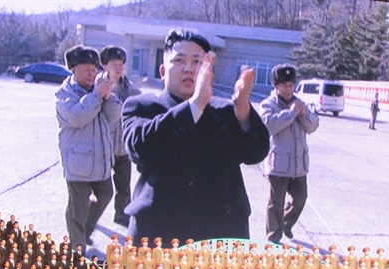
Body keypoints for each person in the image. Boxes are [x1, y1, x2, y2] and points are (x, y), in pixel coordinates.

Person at [122, 29, 269, 245]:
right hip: (159, 236)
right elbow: (141, 148)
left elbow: (255, 152)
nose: (189, 69)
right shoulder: (143, 106)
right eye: (179, 60)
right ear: (163, 71)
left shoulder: (226, 111)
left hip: (220, 237)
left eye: (197, 62)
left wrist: (244, 108)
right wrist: (195, 104)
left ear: (210, 72)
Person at [55, 45, 121, 249]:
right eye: (87, 70)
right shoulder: (64, 93)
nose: (92, 74)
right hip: (78, 162)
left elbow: (114, 116)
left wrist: (108, 97)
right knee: (78, 208)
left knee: (106, 194)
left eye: (94, 70)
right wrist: (96, 97)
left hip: (100, 160)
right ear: (74, 69)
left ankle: (86, 228)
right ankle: (76, 249)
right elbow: (77, 116)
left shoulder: (97, 89)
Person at [258, 64, 319, 243]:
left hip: (299, 164)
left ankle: (286, 223)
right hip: (279, 164)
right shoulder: (268, 104)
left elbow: (313, 126)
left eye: (291, 85)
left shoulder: (300, 103)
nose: (288, 89)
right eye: (284, 85)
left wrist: (302, 113)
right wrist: (291, 113)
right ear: (276, 86)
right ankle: (273, 237)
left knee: (301, 198)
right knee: (275, 203)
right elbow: (269, 125)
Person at [98, 45, 142, 227]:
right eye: (114, 64)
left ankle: (122, 215)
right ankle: (89, 217)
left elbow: (140, 101)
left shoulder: (129, 88)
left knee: (124, 187)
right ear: (105, 66)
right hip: (102, 146)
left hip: (123, 147)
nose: (118, 67)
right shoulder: (96, 86)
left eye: (121, 64)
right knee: (98, 187)